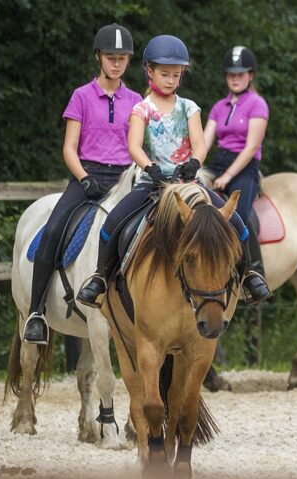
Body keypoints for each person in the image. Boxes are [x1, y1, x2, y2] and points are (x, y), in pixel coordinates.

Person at [76, 35, 270, 308]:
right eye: (164, 74)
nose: (170, 80)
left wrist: (194, 162)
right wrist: (149, 167)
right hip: (151, 182)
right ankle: (100, 276)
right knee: (113, 222)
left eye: (176, 75)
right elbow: (133, 146)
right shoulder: (140, 108)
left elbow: (200, 144)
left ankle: (249, 273)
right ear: (149, 72)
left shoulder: (189, 107)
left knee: (235, 220)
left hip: (186, 182)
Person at [23, 23, 142, 344]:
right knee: (53, 229)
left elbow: (141, 145)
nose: (116, 63)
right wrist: (84, 178)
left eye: (122, 58)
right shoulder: (81, 96)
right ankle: (35, 312)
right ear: (98, 58)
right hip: (86, 175)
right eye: (110, 57)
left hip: (124, 178)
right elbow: (68, 148)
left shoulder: (137, 100)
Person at [202, 46, 272, 301]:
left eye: (240, 73)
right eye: (231, 73)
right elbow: (205, 141)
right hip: (218, 162)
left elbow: (252, 146)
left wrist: (228, 177)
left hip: (244, 166)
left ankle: (254, 272)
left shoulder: (257, 104)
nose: (235, 77)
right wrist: (191, 164)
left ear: (250, 75)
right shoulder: (219, 107)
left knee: (239, 215)